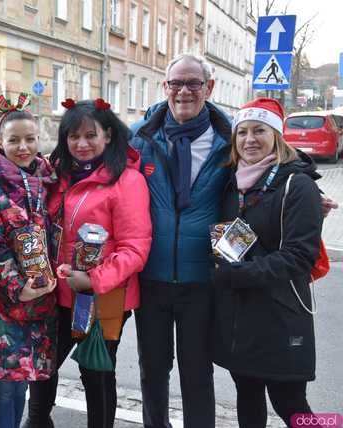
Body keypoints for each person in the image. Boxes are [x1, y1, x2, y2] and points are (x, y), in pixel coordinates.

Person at [26, 98, 152, 428]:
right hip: (56, 292)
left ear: (108, 135)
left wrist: (94, 280)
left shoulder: (127, 181)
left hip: (102, 296)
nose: (81, 144)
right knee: (44, 364)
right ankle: (37, 421)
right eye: (73, 136)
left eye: (90, 135)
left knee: (95, 370)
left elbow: (135, 247)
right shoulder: (59, 176)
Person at [128, 53, 231, 428]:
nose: (184, 92)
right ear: (165, 87)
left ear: (210, 88)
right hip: (151, 276)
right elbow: (93, 167)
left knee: (197, 372)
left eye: (194, 84)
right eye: (176, 83)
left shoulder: (229, 139)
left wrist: (307, 192)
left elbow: (276, 166)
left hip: (202, 280)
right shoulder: (140, 136)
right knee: (152, 370)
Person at [212, 98, 323, 428]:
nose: (249, 140)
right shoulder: (231, 183)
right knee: (247, 397)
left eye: (259, 130)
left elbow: (299, 256)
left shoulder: (297, 184)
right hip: (238, 318)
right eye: (242, 132)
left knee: (291, 404)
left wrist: (235, 276)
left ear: (277, 135)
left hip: (280, 316)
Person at [0, 97, 58, 428]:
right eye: (14, 140)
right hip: (4, 301)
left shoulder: (47, 179)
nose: (23, 147)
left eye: (30, 139)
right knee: (3, 383)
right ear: (0, 143)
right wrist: (17, 287)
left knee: (23, 378)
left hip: (41, 298)